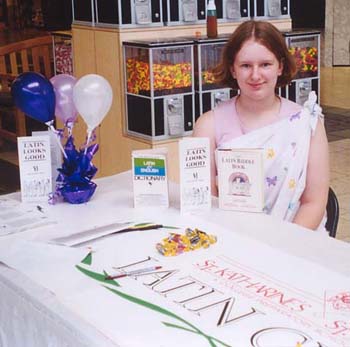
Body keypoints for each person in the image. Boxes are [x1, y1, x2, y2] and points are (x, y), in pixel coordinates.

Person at [193, 20, 329, 231]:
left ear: (280, 67)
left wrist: (279, 248)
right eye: (246, 65)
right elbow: (205, 202)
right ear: (233, 69)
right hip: (230, 239)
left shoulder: (307, 123)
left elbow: (314, 202)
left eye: (265, 64)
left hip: (295, 244)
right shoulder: (208, 125)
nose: (255, 75)